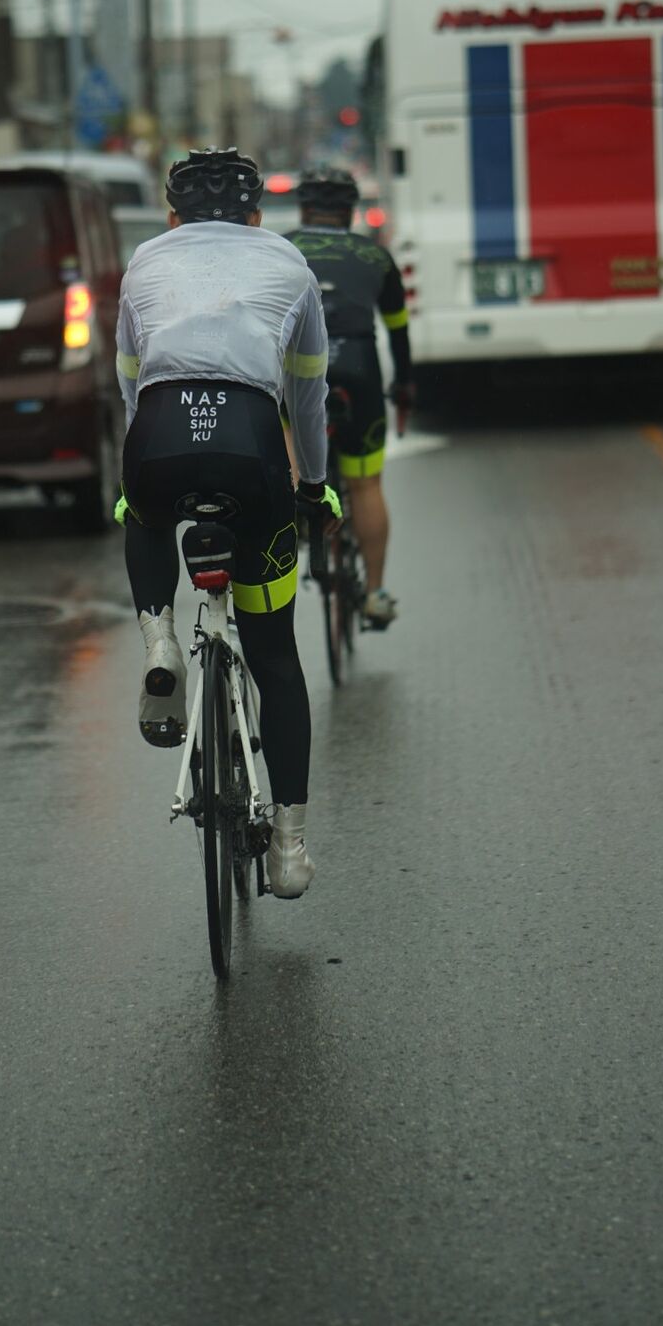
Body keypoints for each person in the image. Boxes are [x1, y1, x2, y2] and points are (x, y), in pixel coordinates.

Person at [114, 148, 340, 899]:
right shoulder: (288, 265)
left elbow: (129, 381)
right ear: (256, 216)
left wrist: (138, 479)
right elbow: (308, 397)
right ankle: (289, 849)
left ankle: (162, 642)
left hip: (156, 440)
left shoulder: (145, 261)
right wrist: (313, 483)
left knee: (140, 515)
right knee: (276, 658)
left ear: (171, 216)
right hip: (250, 445)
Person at [285, 164, 414, 629]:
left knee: (287, 433)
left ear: (303, 209)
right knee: (366, 485)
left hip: (299, 365)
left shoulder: (281, 249)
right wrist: (405, 385)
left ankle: (298, 506)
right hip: (358, 365)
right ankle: (376, 593)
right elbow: (398, 331)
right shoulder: (375, 257)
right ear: (350, 212)